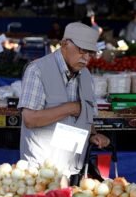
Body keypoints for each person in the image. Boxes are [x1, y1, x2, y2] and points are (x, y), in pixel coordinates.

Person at [18, 22, 110, 178]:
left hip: (73, 168)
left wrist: (94, 134)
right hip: (42, 170)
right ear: (64, 44)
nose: (86, 58)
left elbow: (85, 115)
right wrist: (71, 108)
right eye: (82, 51)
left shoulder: (86, 75)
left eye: (90, 53)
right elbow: (30, 119)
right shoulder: (38, 70)